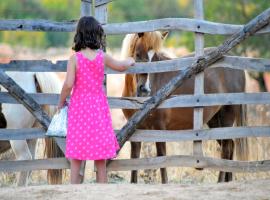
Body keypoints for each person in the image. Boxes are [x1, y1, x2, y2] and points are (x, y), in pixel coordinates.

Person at [58, 16, 135, 184]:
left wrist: (61, 101)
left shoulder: (75, 59)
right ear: (96, 34)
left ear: (79, 35)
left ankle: (73, 191)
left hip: (79, 109)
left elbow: (68, 84)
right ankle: (103, 191)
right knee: (100, 158)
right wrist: (129, 60)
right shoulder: (102, 56)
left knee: (76, 156)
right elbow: (121, 66)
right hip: (98, 108)